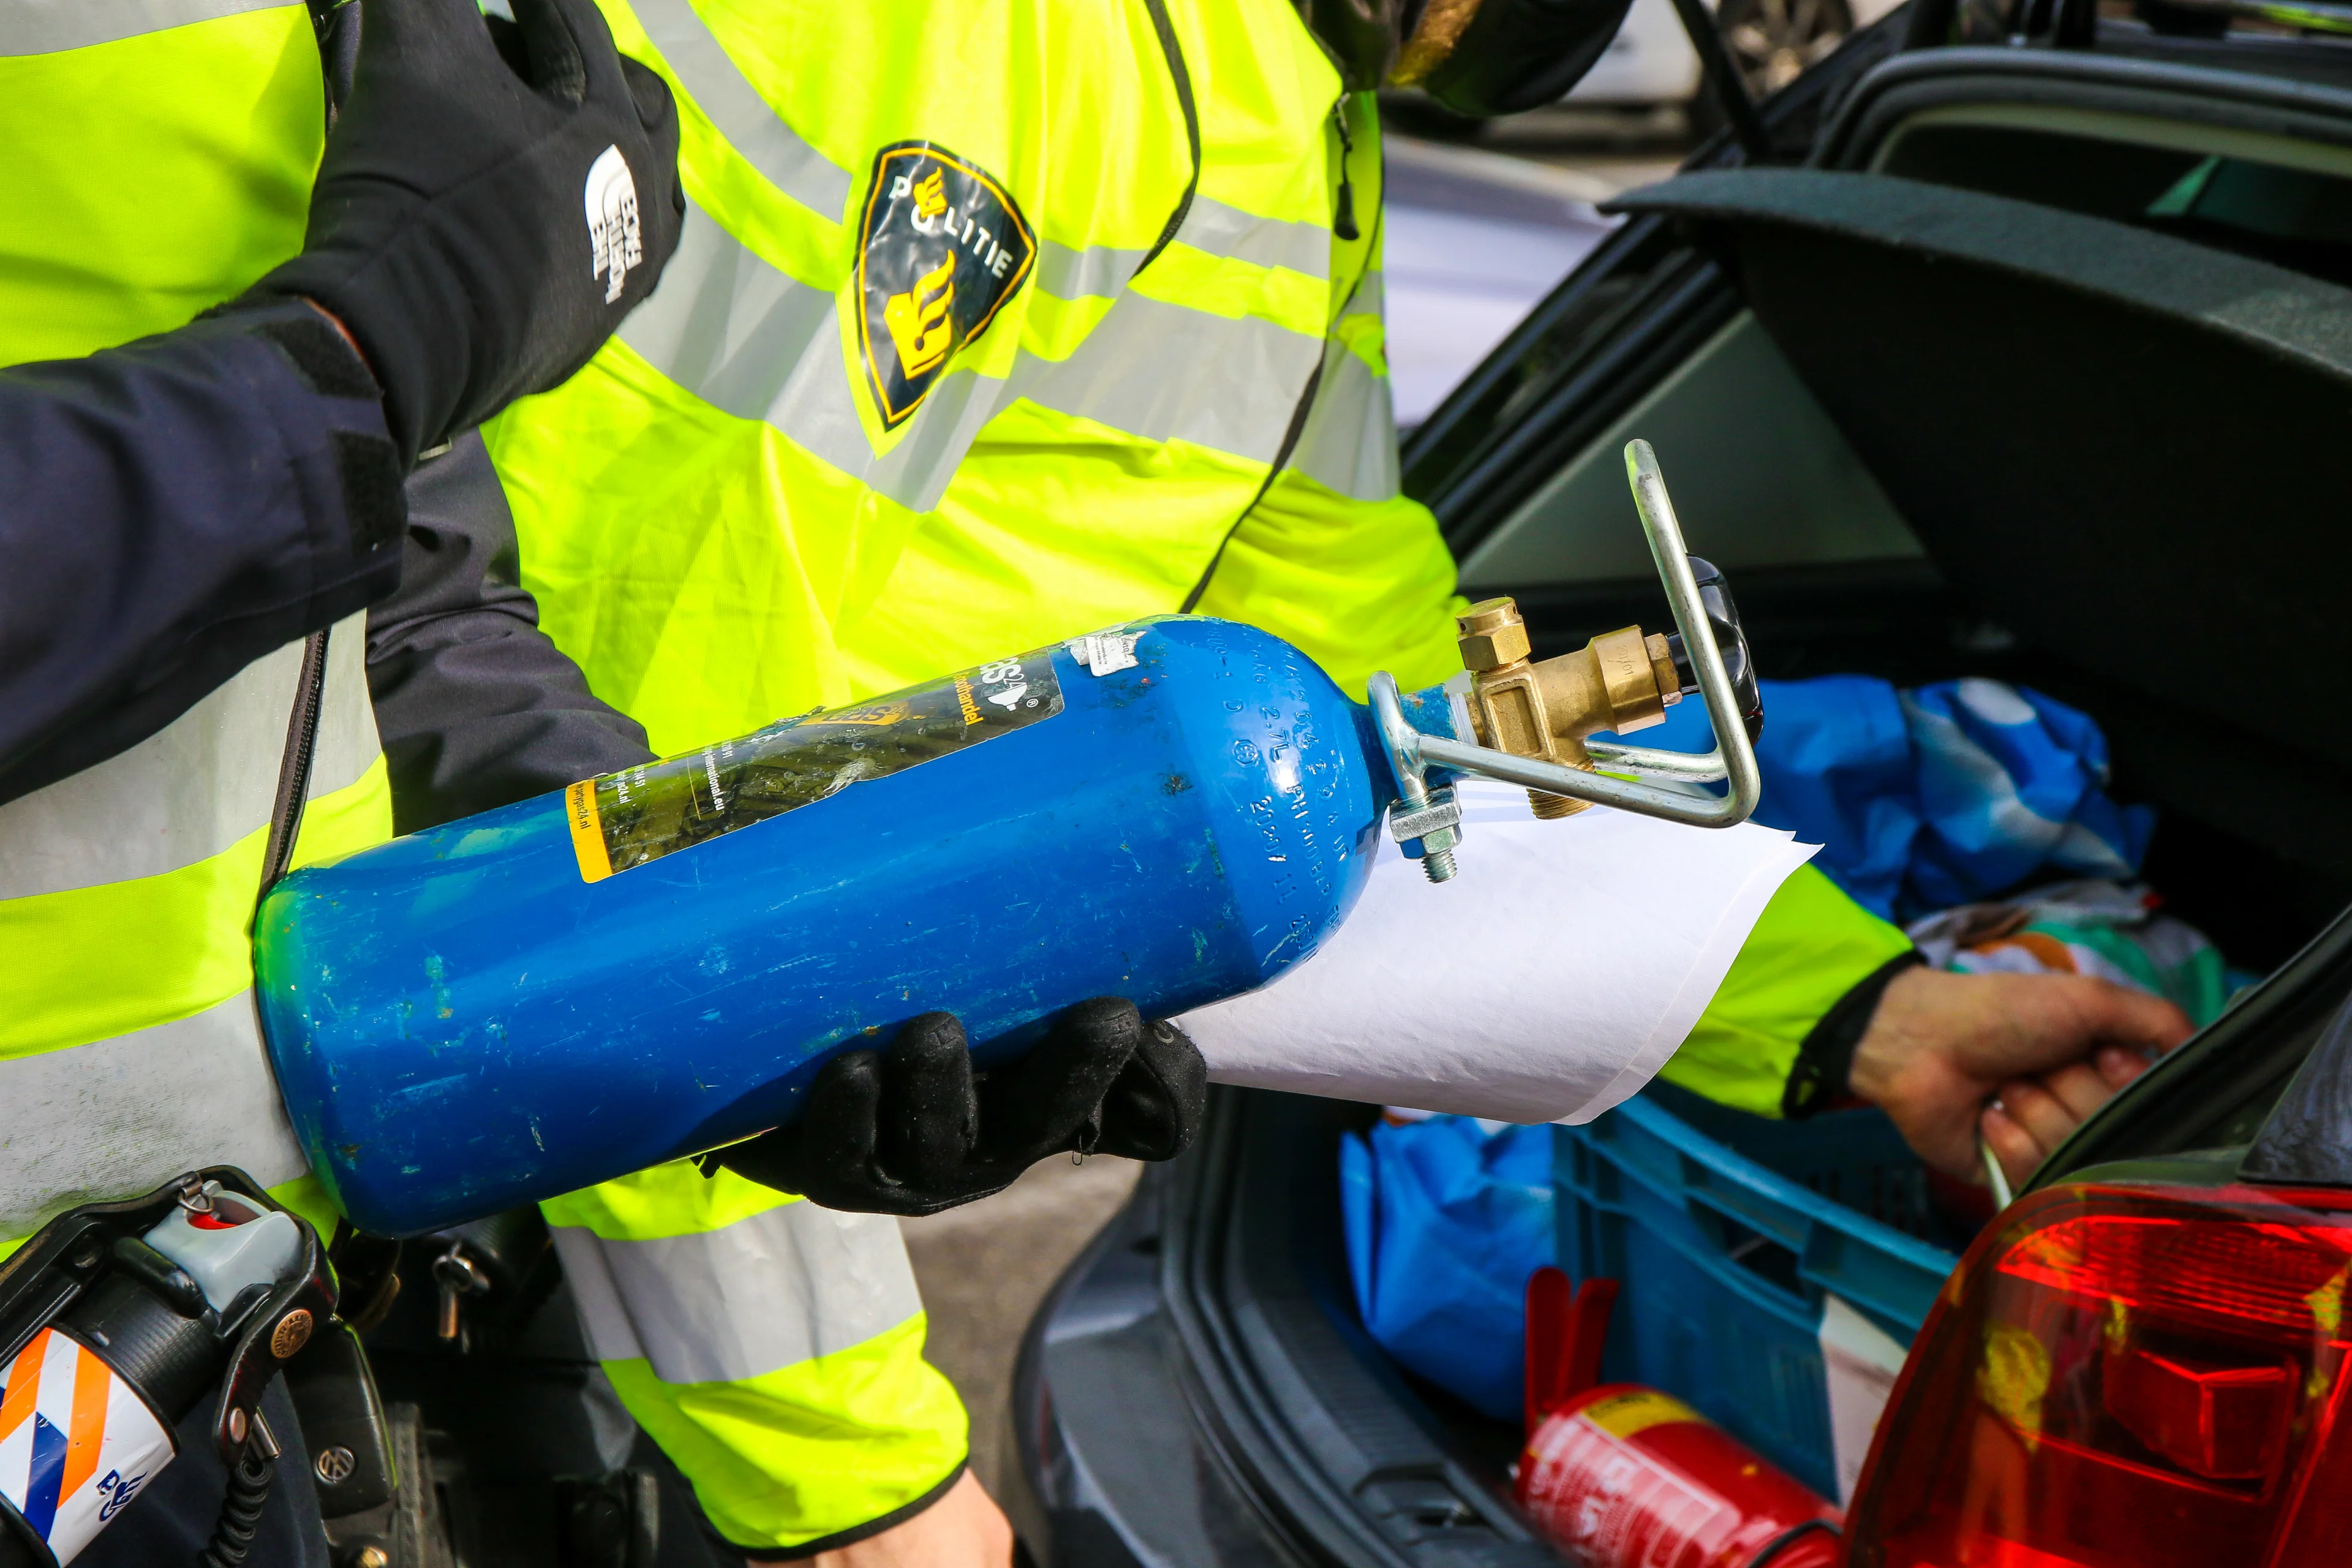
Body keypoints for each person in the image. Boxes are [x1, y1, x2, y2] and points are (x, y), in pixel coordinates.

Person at [358, 0, 2192, 1561]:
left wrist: (1866, 1013)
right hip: (425, 1122)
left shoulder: (1294, 104)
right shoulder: (990, 48)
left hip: (595, 1158)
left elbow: (1392, 698)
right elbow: (646, 840)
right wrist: (857, 1484)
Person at [0, 0, 684, 1558]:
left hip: (173, 1361)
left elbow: (397, 589)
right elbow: (331, 420)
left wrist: (726, 971)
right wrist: (354, 370)